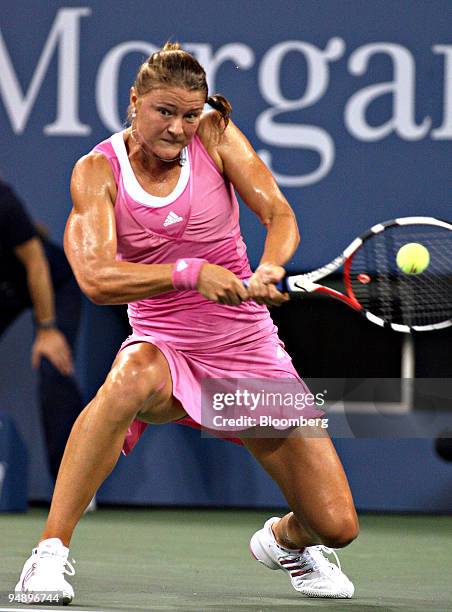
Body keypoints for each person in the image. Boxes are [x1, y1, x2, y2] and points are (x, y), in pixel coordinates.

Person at [15, 43, 358, 604]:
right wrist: (187, 273)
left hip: (246, 350)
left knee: (337, 524)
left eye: (189, 114)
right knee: (129, 373)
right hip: (165, 347)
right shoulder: (98, 171)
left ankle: (286, 541)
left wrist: (270, 263)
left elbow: (278, 213)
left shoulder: (216, 137)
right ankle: (49, 553)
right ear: (134, 103)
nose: (178, 128)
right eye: (164, 112)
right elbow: (97, 279)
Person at [0, 179, 84, 482]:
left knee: (52, 364)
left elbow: (36, 264)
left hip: (52, 282)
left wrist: (47, 330)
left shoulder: (3, 200)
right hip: (6, 289)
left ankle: (73, 481)